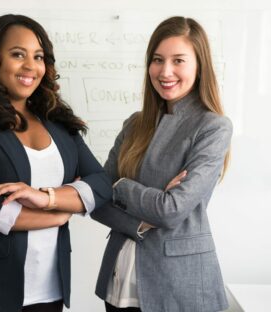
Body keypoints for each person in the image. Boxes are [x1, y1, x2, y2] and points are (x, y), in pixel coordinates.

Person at [0, 14, 112, 312]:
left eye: (38, 56)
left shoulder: (59, 125)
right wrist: (56, 216)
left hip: (49, 292)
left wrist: (47, 199)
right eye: (18, 54)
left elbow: (101, 184)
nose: (31, 66)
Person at [91, 16, 232, 312]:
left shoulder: (213, 127)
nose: (165, 71)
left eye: (178, 60)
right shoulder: (135, 124)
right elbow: (98, 199)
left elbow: (171, 210)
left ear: (199, 65)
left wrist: (121, 186)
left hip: (179, 285)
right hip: (120, 277)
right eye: (157, 60)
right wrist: (139, 222)